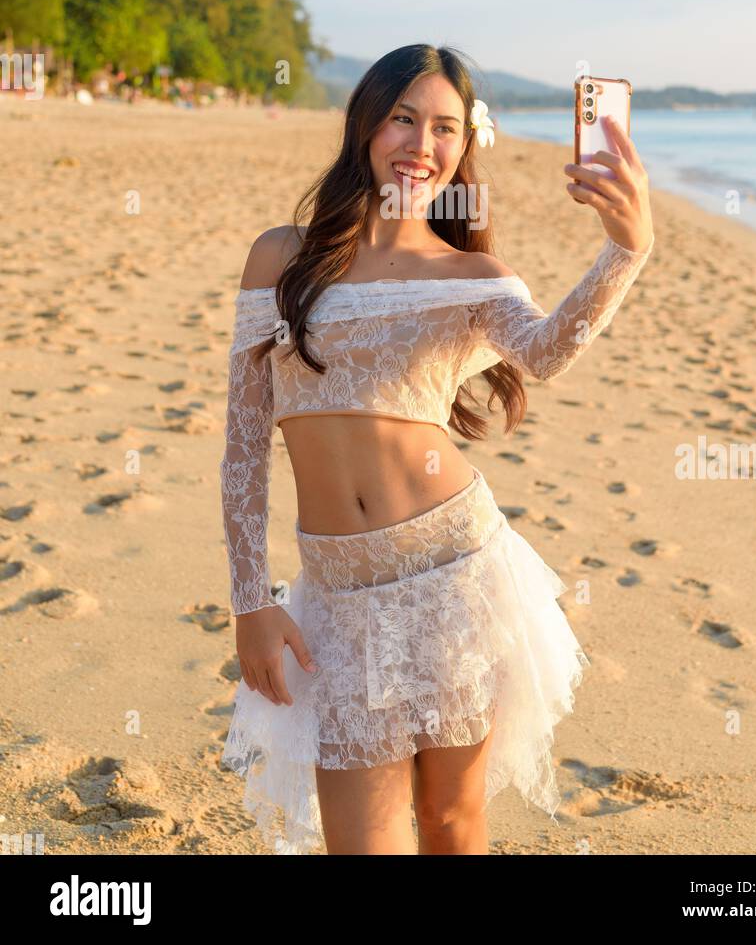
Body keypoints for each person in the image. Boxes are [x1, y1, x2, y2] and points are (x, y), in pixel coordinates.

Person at [219, 43, 654, 855]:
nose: (421, 144)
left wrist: (625, 250)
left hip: (453, 573)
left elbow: (549, 350)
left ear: (465, 147)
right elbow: (244, 443)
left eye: (444, 128)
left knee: (450, 822)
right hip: (336, 596)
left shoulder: (472, 275)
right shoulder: (281, 258)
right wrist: (250, 600)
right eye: (403, 119)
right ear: (365, 125)